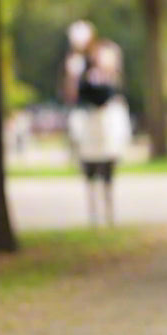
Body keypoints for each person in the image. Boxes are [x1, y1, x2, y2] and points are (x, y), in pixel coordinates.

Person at [62, 20, 131, 226]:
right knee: (89, 164)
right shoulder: (75, 62)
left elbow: (114, 77)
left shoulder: (106, 52)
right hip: (88, 117)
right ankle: (94, 214)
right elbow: (71, 94)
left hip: (106, 117)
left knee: (109, 162)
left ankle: (109, 213)